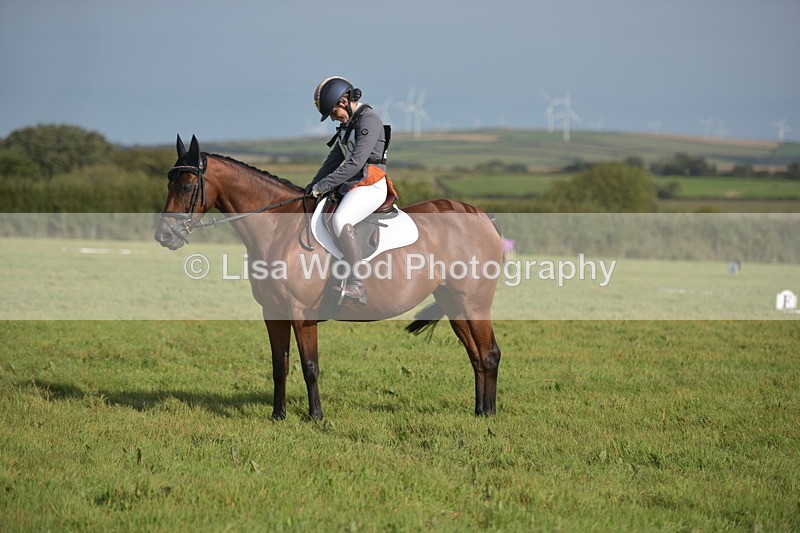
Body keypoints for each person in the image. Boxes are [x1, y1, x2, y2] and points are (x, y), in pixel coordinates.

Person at [306, 76, 396, 305]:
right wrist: (311, 187)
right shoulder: (347, 126)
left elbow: (355, 163)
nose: (333, 117)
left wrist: (322, 187)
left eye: (333, 112)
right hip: (353, 184)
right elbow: (331, 162)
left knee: (340, 219)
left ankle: (357, 284)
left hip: (371, 183)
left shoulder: (369, 120)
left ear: (344, 100)